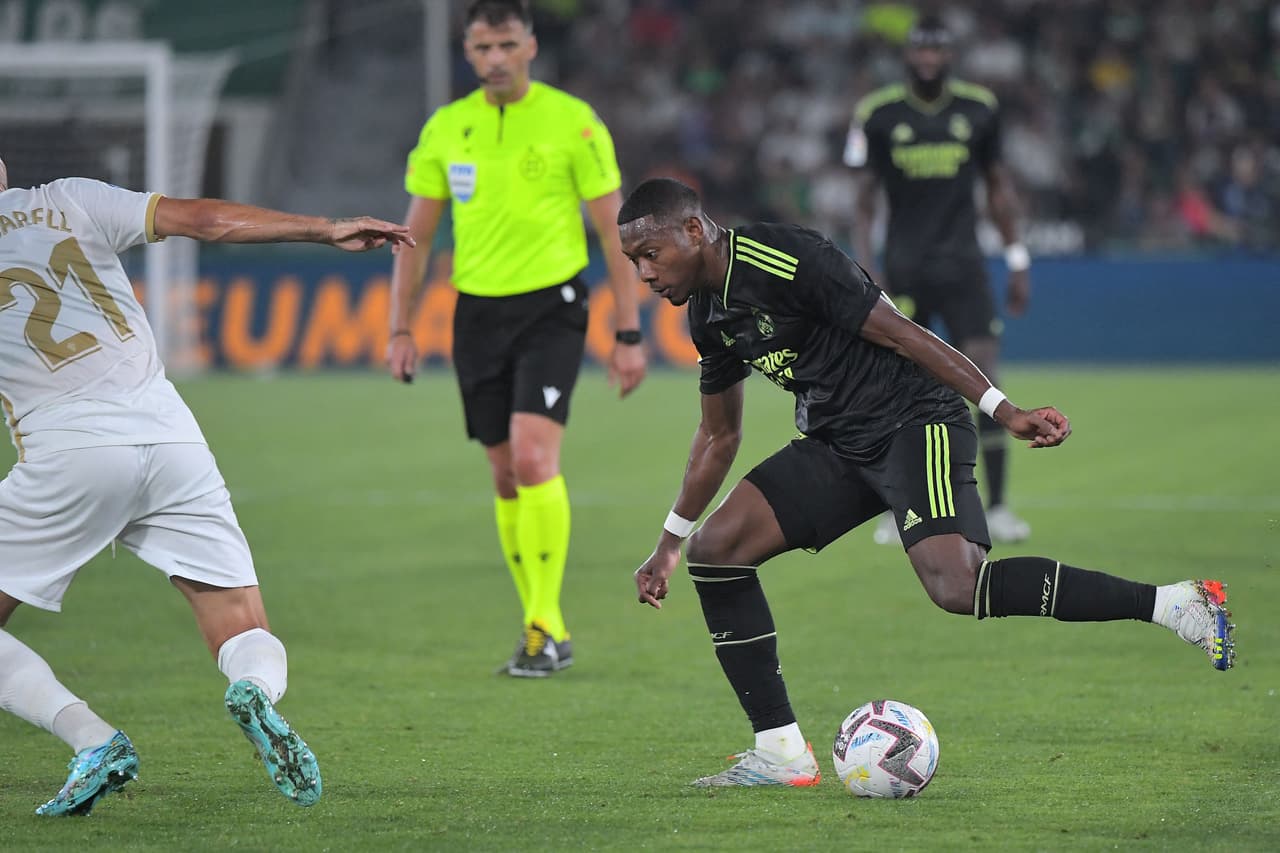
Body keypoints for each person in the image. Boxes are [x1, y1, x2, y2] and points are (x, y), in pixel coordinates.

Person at [618, 177, 1235, 788]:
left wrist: (1003, 410)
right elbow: (719, 435)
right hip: (838, 443)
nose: (644, 274)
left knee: (957, 586)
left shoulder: (787, 257)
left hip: (914, 420)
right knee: (716, 550)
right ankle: (780, 752)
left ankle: (1175, 604)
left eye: (650, 254)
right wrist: (670, 542)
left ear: (694, 230)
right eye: (633, 262)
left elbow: (903, 332)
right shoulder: (708, 315)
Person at [0, 153, 413, 815]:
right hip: (172, 439)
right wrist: (323, 229)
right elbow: (206, 221)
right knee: (240, 621)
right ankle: (255, 688)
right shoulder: (69, 199)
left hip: (71, 449)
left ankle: (92, 738)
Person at [387, 0, 647, 677]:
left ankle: (544, 623)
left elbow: (614, 232)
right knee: (505, 475)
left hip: (551, 309)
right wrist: (400, 326)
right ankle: (541, 625)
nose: (495, 58)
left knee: (534, 459)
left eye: (506, 44)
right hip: (476, 313)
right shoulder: (447, 128)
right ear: (468, 53)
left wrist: (628, 330)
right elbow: (415, 240)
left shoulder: (573, 122)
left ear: (530, 45)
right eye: (482, 48)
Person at [845, 16, 1032, 545]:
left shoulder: (979, 109)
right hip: (905, 268)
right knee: (896, 388)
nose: (928, 58)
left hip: (964, 266)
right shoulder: (877, 114)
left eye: (937, 49)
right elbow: (863, 201)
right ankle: (894, 506)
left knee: (986, 378)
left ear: (949, 55)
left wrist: (1017, 257)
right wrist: (866, 267)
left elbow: (998, 187)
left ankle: (998, 507)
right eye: (920, 49)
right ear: (908, 55)